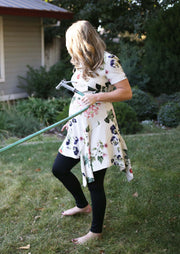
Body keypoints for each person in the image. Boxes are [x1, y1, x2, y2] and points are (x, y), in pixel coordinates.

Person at [52, 20, 133, 245]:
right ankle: (82, 205)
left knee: (96, 182)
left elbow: (126, 92)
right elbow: (81, 95)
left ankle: (95, 231)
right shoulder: (81, 62)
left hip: (99, 128)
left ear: (80, 41)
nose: (69, 48)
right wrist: (73, 120)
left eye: (70, 43)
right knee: (59, 169)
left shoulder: (108, 60)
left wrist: (98, 97)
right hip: (78, 127)